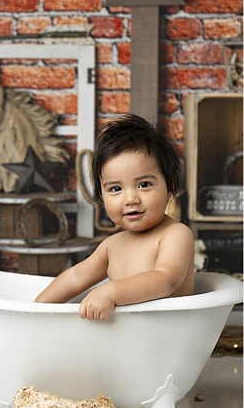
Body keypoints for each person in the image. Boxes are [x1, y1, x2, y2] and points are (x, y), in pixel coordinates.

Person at [34, 114, 194, 320]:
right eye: (116, 188)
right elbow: (75, 277)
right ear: (101, 196)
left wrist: (110, 292)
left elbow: (165, 280)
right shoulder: (112, 245)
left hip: (166, 335)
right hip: (123, 339)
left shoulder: (176, 234)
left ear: (170, 185)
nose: (130, 199)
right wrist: (38, 307)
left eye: (144, 184)